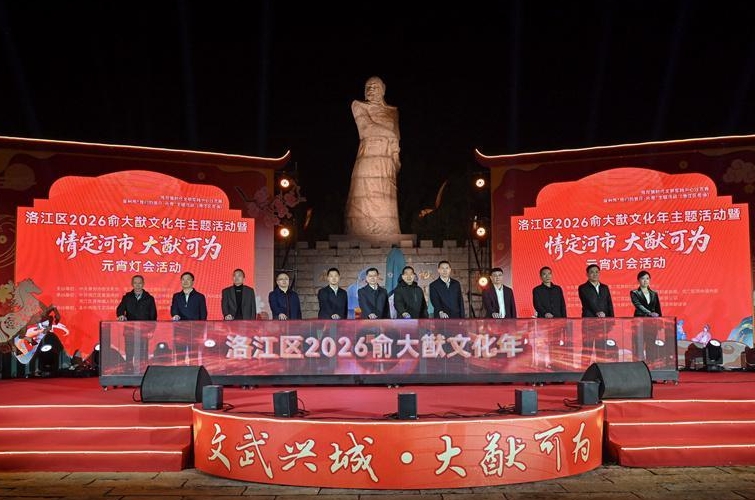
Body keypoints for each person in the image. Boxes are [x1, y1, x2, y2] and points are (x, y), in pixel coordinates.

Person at [345, 76, 402, 236]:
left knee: (385, 196)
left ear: (383, 90)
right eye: (367, 86)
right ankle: (358, 230)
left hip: (387, 159)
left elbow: (397, 137)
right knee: (364, 192)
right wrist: (390, 136)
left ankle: (388, 230)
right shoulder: (358, 106)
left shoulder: (393, 112)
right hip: (368, 154)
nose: (370, 89)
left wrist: (396, 158)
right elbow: (366, 129)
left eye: (375, 86)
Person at [115, 274, 157, 366]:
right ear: (132, 284)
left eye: (140, 283)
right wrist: (121, 315)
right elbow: (120, 309)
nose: (137, 285)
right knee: (129, 352)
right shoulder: (127, 297)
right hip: (130, 330)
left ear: (143, 284)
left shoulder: (149, 298)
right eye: (135, 283)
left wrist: (151, 330)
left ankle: (143, 370)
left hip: (144, 331)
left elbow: (153, 316)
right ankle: (128, 368)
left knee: (142, 353)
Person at [630, 270, 663, 364]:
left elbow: (658, 308)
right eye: (643, 278)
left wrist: (660, 321)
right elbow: (638, 305)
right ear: (638, 280)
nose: (645, 281)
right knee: (639, 345)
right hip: (639, 323)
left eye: (647, 279)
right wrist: (650, 313)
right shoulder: (634, 293)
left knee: (651, 345)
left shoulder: (654, 293)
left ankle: (651, 365)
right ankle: (638, 366)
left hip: (652, 324)